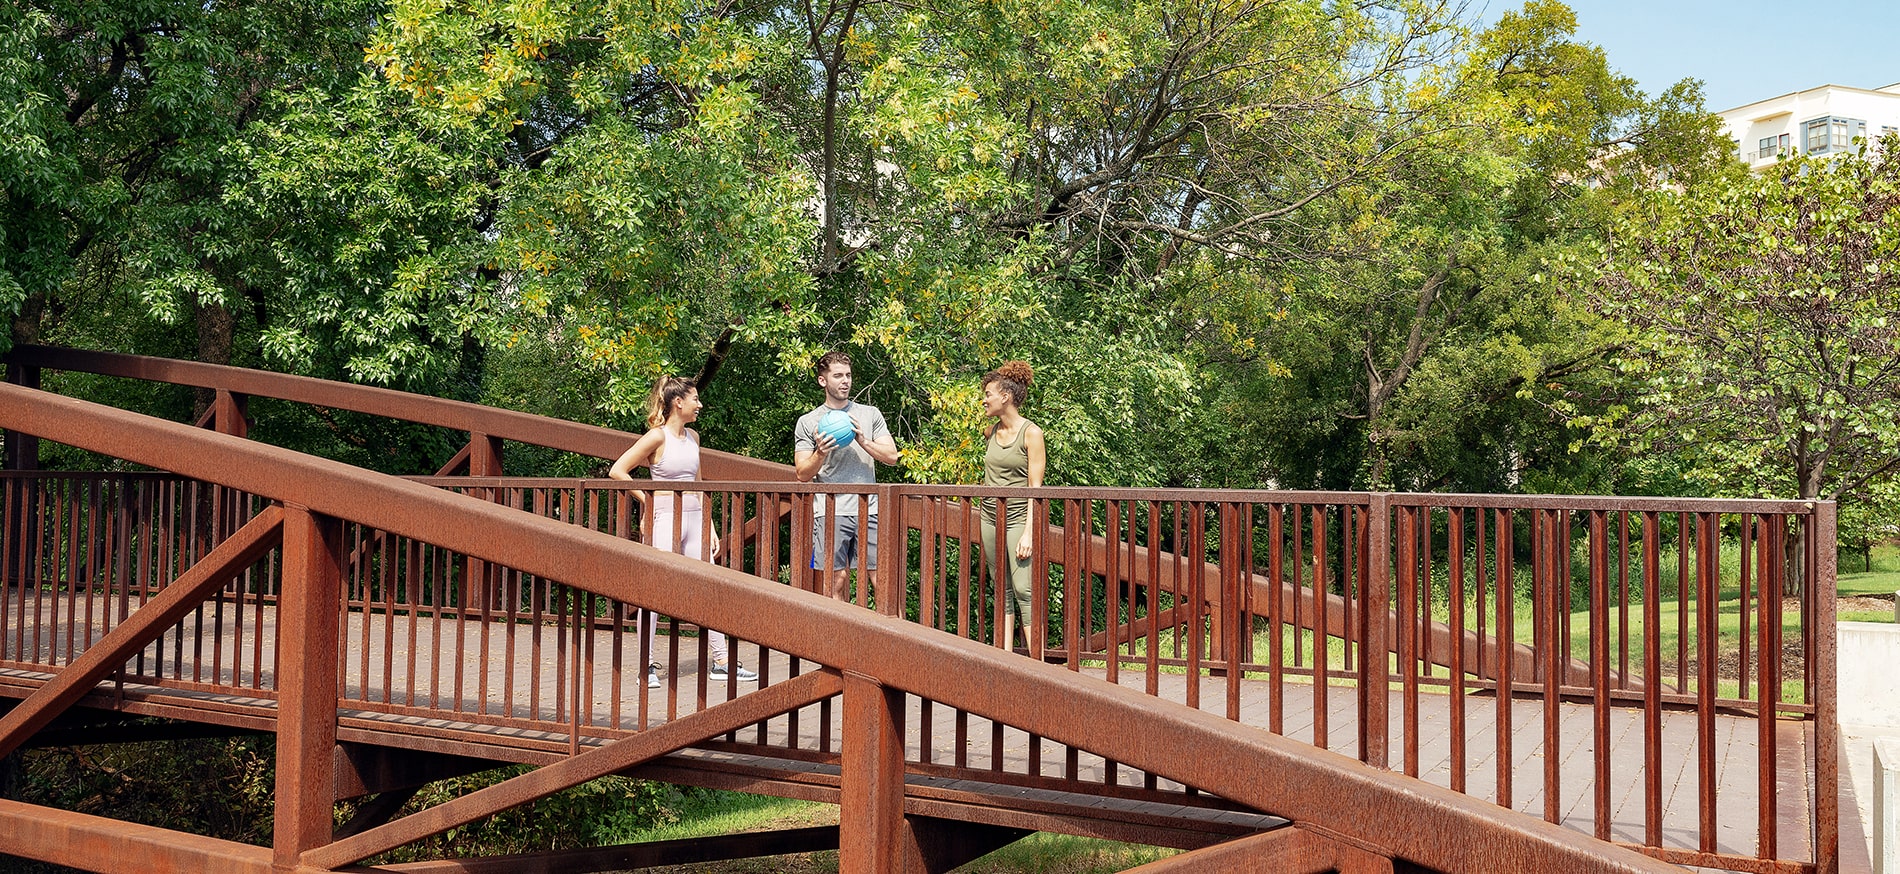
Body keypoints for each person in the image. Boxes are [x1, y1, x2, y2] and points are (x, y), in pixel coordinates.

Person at [610, 376, 756, 686]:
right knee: (655, 591)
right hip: (665, 517)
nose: (699, 404)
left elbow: (700, 485)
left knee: (709, 586)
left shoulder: (694, 437)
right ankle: (645, 667)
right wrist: (646, 500)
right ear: (679, 403)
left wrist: (711, 526)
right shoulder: (656, 438)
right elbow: (618, 470)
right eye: (695, 399)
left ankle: (720, 662)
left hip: (694, 519)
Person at [793, 351, 900, 600]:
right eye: (838, 375)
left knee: (879, 578)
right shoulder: (809, 421)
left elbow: (892, 457)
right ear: (823, 381)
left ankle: (891, 638)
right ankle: (835, 638)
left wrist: (863, 440)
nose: (845, 381)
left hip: (869, 508)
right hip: (831, 510)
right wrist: (820, 453)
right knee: (836, 579)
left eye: (848, 375)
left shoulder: (870, 414)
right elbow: (801, 474)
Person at [978, 361, 1046, 650]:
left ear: (1005, 396)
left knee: (1023, 589)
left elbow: (1036, 488)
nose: (984, 400)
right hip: (990, 517)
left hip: (1020, 517)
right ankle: (1006, 662)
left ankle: (1038, 667)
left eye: (988, 394)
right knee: (1001, 588)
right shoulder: (990, 432)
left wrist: (1030, 532)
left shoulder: (1032, 433)